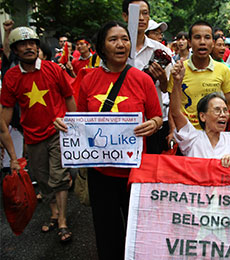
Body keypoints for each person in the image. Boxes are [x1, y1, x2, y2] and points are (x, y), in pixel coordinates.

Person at [54, 21, 162, 260]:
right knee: (106, 231)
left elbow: (157, 116)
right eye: (113, 39)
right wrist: (64, 124)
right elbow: (79, 120)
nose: (121, 44)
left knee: (137, 230)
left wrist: (153, 124)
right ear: (101, 47)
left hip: (135, 171)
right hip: (101, 172)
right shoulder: (89, 79)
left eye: (124, 38)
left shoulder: (142, 80)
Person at [1, 26, 76, 242]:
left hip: (57, 133)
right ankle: (53, 212)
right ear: (15, 50)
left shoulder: (54, 69)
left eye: (32, 43)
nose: (28, 47)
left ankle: (62, 221)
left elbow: (69, 97)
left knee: (59, 177)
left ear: (37, 46)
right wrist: (12, 155)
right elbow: (4, 116)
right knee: (42, 179)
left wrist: (76, 125)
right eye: (23, 44)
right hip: (31, 137)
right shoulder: (11, 77)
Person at [167, 20, 230, 140]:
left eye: (207, 37)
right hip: (186, 135)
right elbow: (173, 106)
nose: (202, 42)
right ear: (190, 42)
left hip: (214, 135)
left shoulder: (223, 70)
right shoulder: (179, 71)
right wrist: (173, 130)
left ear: (213, 42)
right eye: (197, 37)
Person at [170, 60, 230, 165]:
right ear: (203, 116)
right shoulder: (192, 138)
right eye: (217, 110)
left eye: (225, 111)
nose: (223, 115)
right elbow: (176, 113)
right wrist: (177, 82)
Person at [122, 0, 174, 154]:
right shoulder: (115, 49)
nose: (141, 18)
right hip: (121, 122)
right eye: (136, 13)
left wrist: (162, 79)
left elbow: (167, 89)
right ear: (125, 16)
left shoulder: (160, 51)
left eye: (145, 13)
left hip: (153, 123)